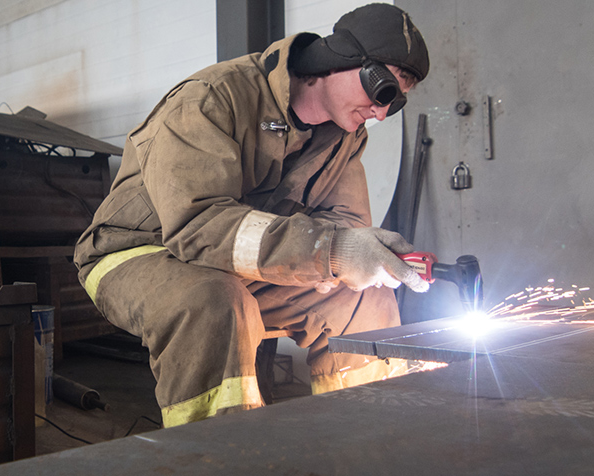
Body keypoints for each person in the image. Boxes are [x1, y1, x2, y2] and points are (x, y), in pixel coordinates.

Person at [74, 3, 431, 428]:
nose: (380, 112)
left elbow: (346, 226)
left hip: (238, 266)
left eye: (395, 101)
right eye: (380, 90)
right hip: (136, 251)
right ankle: (222, 451)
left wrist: (366, 254)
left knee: (365, 297)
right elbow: (198, 225)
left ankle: (368, 436)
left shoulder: (344, 137)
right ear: (339, 61)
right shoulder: (212, 97)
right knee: (212, 303)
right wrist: (332, 250)